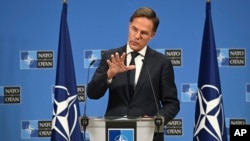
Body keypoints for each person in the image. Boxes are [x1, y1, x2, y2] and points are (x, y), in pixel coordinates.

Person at [87, 7, 180, 141]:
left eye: (143, 33)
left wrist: (156, 120)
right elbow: (92, 93)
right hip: (114, 134)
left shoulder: (162, 63)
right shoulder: (111, 56)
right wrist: (109, 74)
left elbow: (172, 103)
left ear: (152, 35)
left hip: (148, 134)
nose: (137, 36)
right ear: (129, 26)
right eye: (134, 29)